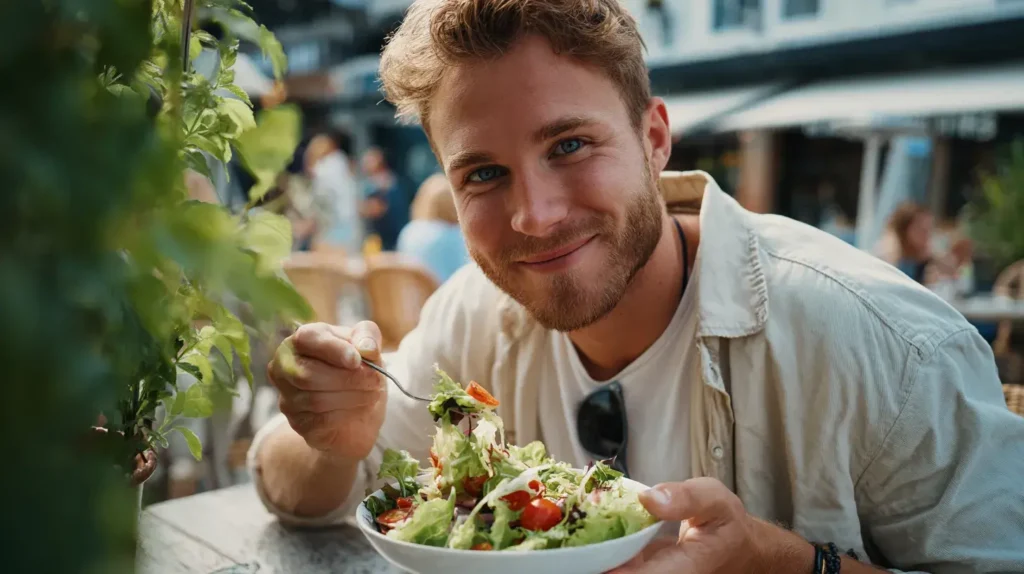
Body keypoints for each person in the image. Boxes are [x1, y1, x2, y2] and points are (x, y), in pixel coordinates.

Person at [247, 1, 1024, 573]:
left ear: (654, 140)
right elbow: (292, 493)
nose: (534, 215)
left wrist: (783, 564)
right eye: (483, 173)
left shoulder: (885, 347)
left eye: (571, 144)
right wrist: (330, 440)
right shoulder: (474, 316)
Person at [396, 173, 470, 283]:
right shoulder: (454, 235)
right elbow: (468, 273)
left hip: (412, 299)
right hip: (447, 296)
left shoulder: (408, 232)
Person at [304, 129, 363, 254]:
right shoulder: (341, 163)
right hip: (350, 226)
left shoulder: (326, 167)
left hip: (335, 228)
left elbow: (321, 204)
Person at [360, 147, 409, 252]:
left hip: (386, 240)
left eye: (368, 161)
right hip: (383, 238)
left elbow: (376, 210)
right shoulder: (389, 180)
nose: (364, 165)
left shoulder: (383, 183)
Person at [876, 202, 935, 284]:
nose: (927, 235)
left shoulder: (922, 256)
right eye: (921, 229)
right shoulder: (890, 252)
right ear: (904, 229)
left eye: (929, 229)